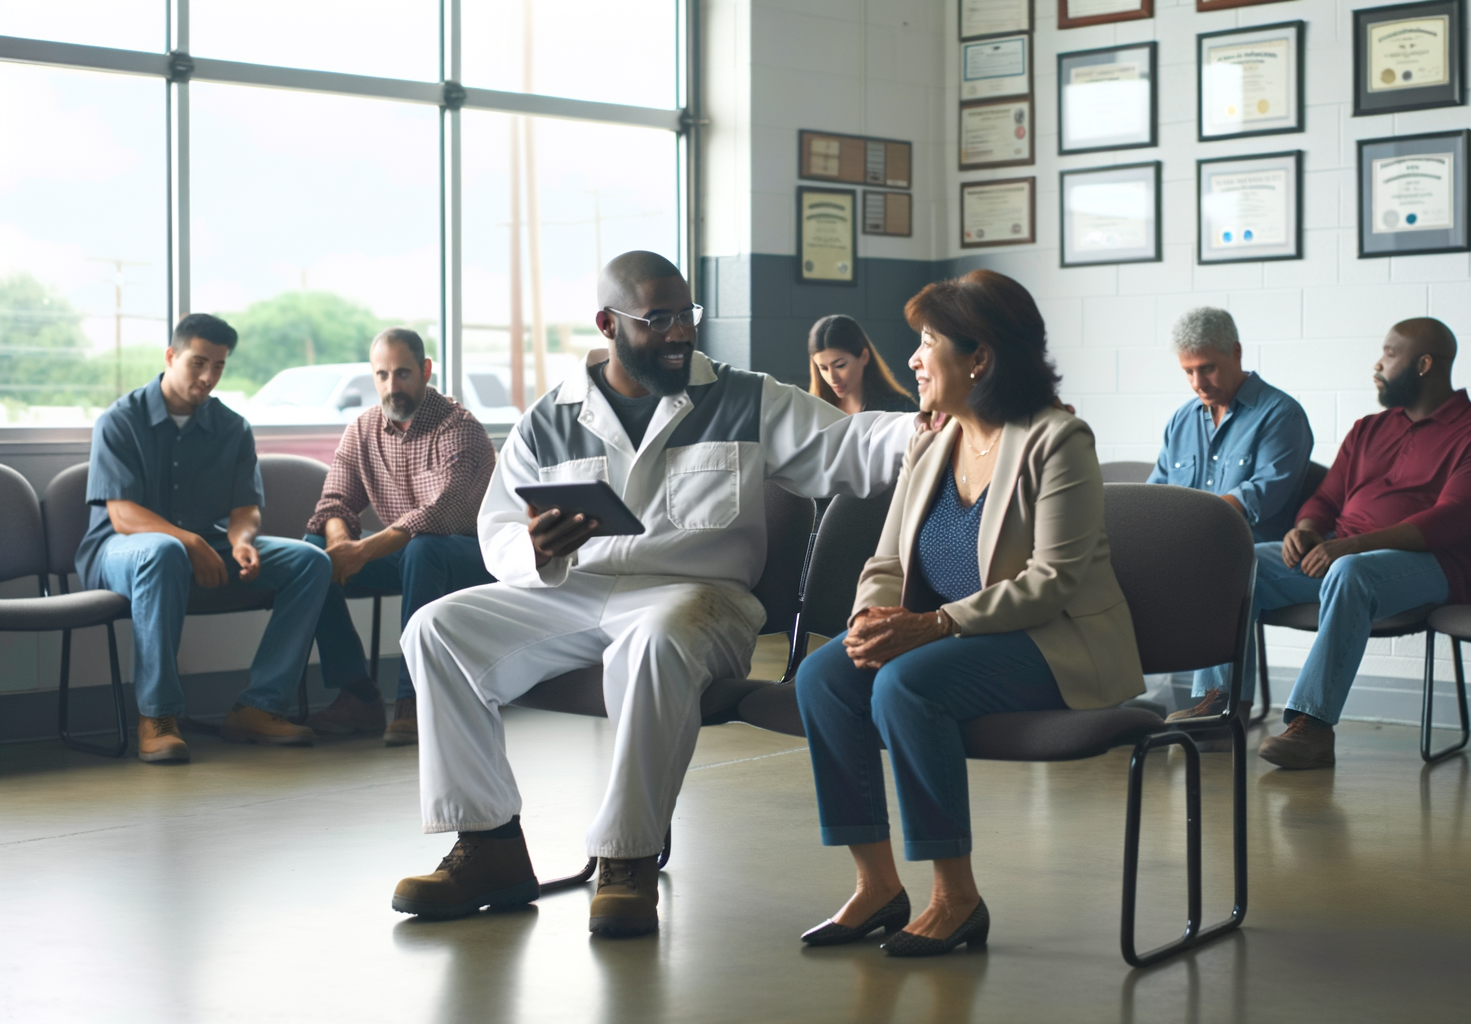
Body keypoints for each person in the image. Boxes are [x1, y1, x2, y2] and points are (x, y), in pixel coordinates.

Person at [391, 251, 917, 936]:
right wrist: (537, 549)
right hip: (572, 592)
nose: (679, 334)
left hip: (698, 599)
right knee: (435, 627)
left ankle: (628, 856)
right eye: (658, 319)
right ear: (609, 324)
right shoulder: (550, 419)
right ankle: (489, 845)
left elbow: (853, 444)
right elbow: (497, 531)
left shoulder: (742, 396)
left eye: (686, 316)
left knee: (656, 636)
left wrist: (936, 425)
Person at [793, 270, 1144, 957]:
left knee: (907, 682)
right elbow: (889, 560)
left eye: (927, 343)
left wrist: (935, 626)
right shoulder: (933, 439)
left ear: (979, 357)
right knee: (825, 676)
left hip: (1051, 643)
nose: (915, 360)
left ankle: (956, 897)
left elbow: (1054, 580)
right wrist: (870, 621)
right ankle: (878, 887)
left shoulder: (1057, 440)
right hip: (954, 639)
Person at [1170, 318, 1471, 771]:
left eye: (1390, 354)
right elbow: (1327, 497)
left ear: (1424, 364)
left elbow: (1448, 522)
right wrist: (1308, 528)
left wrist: (1348, 549)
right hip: (1340, 555)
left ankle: (1312, 726)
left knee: (1351, 571)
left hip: (1435, 567)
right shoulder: (1369, 429)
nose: (1378, 363)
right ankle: (1219, 707)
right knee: (1238, 561)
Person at [78, 313, 333, 763]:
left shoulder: (232, 428)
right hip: (121, 552)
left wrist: (241, 541)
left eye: (218, 366)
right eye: (198, 362)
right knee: (164, 550)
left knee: (310, 561)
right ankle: (157, 716)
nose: (208, 376)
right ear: (171, 356)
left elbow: (245, 509)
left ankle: (259, 707)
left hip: (203, 546)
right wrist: (190, 542)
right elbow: (121, 514)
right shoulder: (119, 420)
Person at [301, 328, 497, 746]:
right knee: (310, 556)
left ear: (425, 371)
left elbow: (441, 514)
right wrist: (339, 547)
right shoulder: (362, 429)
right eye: (382, 375)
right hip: (407, 554)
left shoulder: (458, 427)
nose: (392, 386)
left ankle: (413, 700)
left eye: (403, 373)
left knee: (424, 547)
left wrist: (363, 550)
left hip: (471, 554)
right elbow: (334, 502)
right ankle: (358, 695)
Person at [1147, 306, 1313, 718]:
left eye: (1208, 368)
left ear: (1236, 353)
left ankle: (1221, 705)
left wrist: (1186, 526)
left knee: (1216, 563)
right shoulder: (1181, 421)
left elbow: (1261, 496)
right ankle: (1118, 700)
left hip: (1257, 554)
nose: (1198, 383)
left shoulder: (1280, 415)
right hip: (1187, 549)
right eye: (1188, 372)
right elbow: (1157, 491)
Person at [808, 314, 918, 414]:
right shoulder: (812, 412)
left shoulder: (901, 409)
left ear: (864, 356)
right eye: (823, 368)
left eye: (840, 365)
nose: (832, 378)